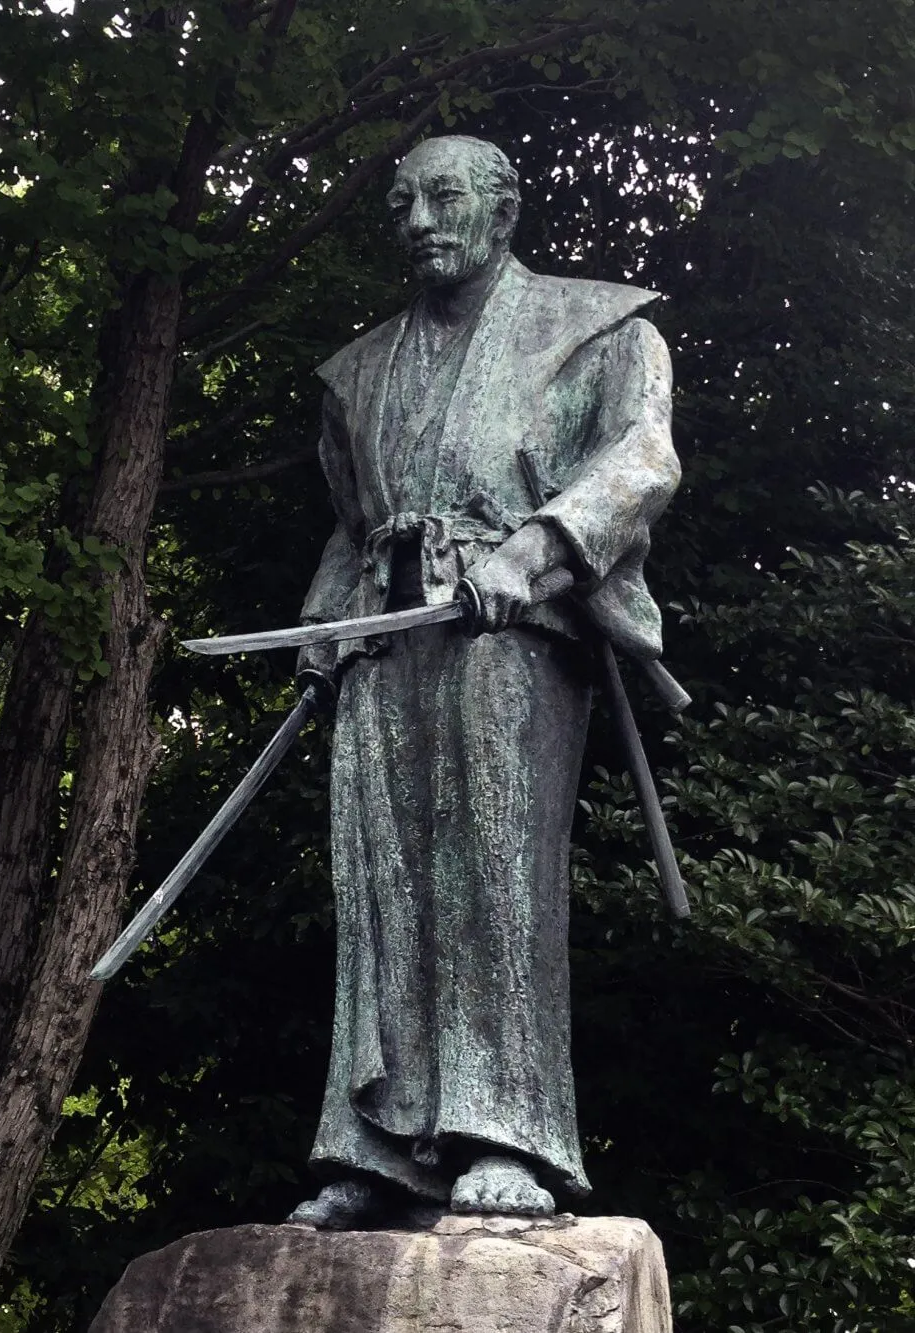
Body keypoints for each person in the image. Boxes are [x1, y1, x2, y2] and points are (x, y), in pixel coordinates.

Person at [290, 135, 679, 1228]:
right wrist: (324, 628)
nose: (418, 217)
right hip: (386, 637)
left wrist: (541, 544)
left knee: (494, 874)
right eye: (401, 199)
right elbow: (349, 521)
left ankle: (507, 1131)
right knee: (381, 888)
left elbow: (642, 461)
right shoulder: (358, 371)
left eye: (443, 196)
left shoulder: (599, 328)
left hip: (508, 632)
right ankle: (371, 1145)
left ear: (503, 210)